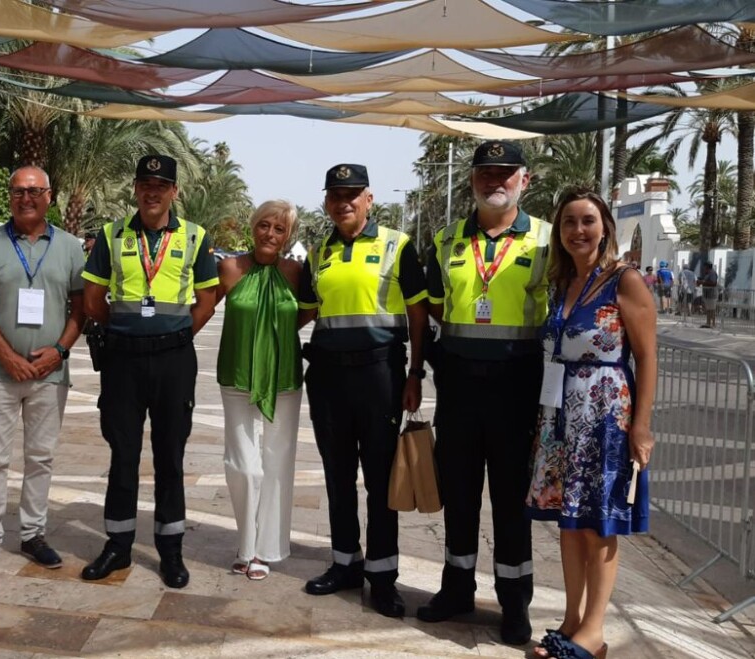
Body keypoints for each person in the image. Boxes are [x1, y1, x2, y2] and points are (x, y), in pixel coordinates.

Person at [419, 141, 550, 645]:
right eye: (485, 173)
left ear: (525, 179)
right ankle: (456, 589)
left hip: (518, 389)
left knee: (511, 501)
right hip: (460, 388)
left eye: (505, 173)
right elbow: (433, 304)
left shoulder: (543, 239)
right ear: (471, 180)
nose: (494, 181)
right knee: (460, 494)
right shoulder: (446, 239)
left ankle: (514, 602)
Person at [80, 154, 220, 589]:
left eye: (161, 184)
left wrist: (174, 335)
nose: (152, 191)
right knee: (122, 455)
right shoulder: (111, 234)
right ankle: (118, 546)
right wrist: (125, 331)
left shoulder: (195, 237)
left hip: (173, 361)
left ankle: (171, 551)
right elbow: (92, 299)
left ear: (174, 191)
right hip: (123, 360)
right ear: (136, 188)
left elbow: (208, 300)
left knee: (170, 458)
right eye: (144, 183)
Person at [526, 188, 654, 659]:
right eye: (568, 224)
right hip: (561, 416)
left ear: (605, 228)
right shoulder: (563, 283)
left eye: (587, 221)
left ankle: (594, 632)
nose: (577, 231)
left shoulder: (626, 281)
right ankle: (572, 620)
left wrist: (641, 427)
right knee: (569, 521)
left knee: (599, 524)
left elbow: (647, 356)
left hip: (605, 417)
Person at [297, 165, 429, 617]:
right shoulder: (318, 254)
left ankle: (383, 577)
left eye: (353, 194)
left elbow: (418, 313)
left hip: (380, 376)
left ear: (369, 200)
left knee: (379, 480)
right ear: (327, 202)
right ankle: (345, 563)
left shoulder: (398, 245)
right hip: (330, 378)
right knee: (337, 476)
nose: (344, 202)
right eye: (336, 195)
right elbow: (304, 312)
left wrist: (415, 374)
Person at [0, 167, 85, 574]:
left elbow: (82, 307)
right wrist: (6, 355)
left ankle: (33, 534)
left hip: (49, 374)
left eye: (34, 191)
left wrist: (60, 352)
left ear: (50, 196)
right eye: (18, 191)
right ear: (9, 197)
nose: (25, 198)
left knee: (41, 457)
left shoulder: (68, 246)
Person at [215, 200, 304, 582]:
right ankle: (245, 543)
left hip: (283, 376)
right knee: (243, 465)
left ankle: (267, 550)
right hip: (236, 373)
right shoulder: (229, 268)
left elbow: (308, 312)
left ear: (289, 236)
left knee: (277, 462)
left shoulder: (297, 272)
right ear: (253, 227)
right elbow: (203, 306)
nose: (270, 234)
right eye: (264, 225)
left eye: (279, 229)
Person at [699, 261, 719, 328]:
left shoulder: (712, 273)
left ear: (707, 267)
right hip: (707, 294)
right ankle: (708, 323)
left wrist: (703, 282)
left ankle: (712, 323)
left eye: (704, 267)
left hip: (711, 294)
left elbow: (713, 283)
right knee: (709, 309)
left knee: (712, 309)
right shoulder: (708, 274)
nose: (704, 269)